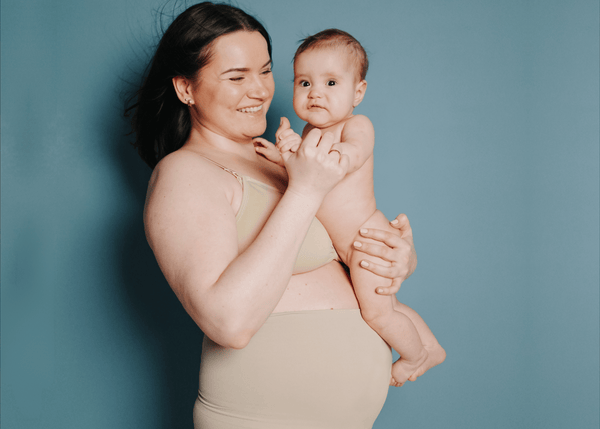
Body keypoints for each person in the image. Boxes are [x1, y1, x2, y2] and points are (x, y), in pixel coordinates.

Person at [127, 3, 419, 428]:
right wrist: (304, 190)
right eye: (236, 76)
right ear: (186, 88)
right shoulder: (184, 173)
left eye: (264, 71)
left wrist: (398, 258)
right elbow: (229, 322)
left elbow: (345, 239)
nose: (261, 90)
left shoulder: (285, 160)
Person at [255, 29, 446, 387]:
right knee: (385, 305)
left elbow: (348, 157)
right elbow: (307, 175)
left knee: (378, 313)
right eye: (304, 83)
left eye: (330, 82)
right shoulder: (311, 129)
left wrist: (323, 153)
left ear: (358, 92)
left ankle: (416, 355)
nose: (316, 94)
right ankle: (431, 344)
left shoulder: (356, 127)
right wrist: (283, 155)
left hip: (365, 240)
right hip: (345, 246)